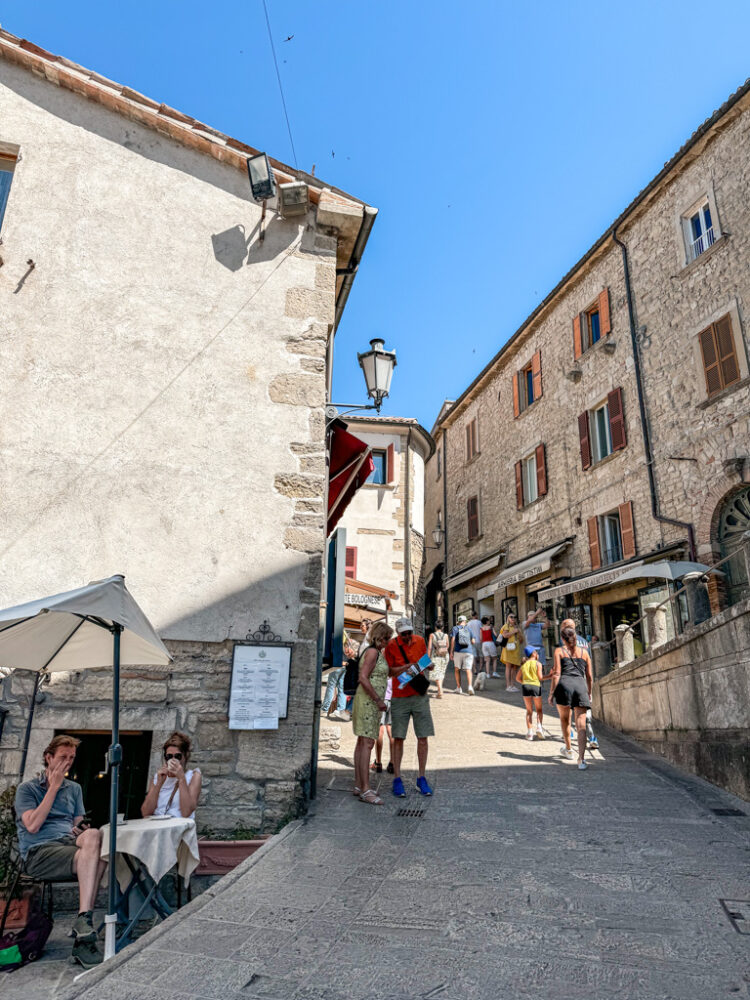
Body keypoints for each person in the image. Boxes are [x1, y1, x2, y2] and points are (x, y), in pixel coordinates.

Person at [14, 734, 107, 969]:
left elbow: (77, 823)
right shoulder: (27, 789)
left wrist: (80, 828)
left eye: (72, 758)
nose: (68, 762)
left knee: (95, 836)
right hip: (39, 851)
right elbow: (32, 825)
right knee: (98, 861)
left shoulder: (74, 789)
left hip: (67, 844)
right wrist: (53, 787)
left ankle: (83, 920)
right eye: (63, 757)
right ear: (49, 757)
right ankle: (83, 938)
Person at [384, 617, 435, 797]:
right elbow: (388, 671)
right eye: (404, 634)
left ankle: (422, 777)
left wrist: (428, 664)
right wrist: (405, 667)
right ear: (398, 633)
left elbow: (426, 661)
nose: (407, 636)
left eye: (409, 633)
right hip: (400, 696)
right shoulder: (391, 646)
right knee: (398, 737)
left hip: (419, 695)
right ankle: (397, 778)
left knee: (423, 736)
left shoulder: (419, 641)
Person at [351, 621, 393, 804]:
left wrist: (406, 668)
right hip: (369, 702)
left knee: (362, 742)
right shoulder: (373, 652)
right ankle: (366, 789)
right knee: (367, 743)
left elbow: (382, 673)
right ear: (379, 637)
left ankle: (359, 784)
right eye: (386, 638)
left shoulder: (374, 652)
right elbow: (363, 677)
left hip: (367, 701)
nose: (388, 642)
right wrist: (378, 700)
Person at [549, 622, 594, 770]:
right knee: (581, 725)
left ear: (562, 639)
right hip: (580, 686)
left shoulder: (559, 651)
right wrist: (589, 692)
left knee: (565, 720)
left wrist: (551, 693)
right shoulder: (584, 653)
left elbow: (557, 674)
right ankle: (581, 759)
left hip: (564, 686)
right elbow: (589, 676)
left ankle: (568, 749)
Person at [141, 731, 202, 819]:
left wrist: (181, 778)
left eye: (177, 756)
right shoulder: (158, 777)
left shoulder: (193, 776)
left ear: (185, 756)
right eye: (169, 756)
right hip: (156, 823)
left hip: (178, 824)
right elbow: (146, 812)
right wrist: (159, 784)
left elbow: (186, 813)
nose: (173, 760)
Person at [559, 619, 599, 748]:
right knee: (585, 713)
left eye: (562, 626)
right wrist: (590, 689)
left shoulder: (564, 640)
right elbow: (589, 665)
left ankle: (570, 734)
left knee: (569, 710)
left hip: (569, 680)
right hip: (583, 680)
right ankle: (592, 737)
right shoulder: (584, 642)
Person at [516, 645, 545, 740]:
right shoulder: (538, 664)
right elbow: (540, 678)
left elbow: (517, 678)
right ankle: (539, 727)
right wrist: (550, 676)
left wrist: (525, 682)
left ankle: (529, 733)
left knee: (529, 711)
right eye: (536, 652)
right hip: (536, 686)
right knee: (539, 710)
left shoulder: (523, 665)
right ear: (534, 653)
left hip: (526, 687)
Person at [450, 614, 475, 694]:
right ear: (465, 621)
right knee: (468, 669)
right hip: (468, 651)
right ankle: (470, 687)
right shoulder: (469, 629)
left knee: (457, 669)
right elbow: (473, 641)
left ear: (458, 621)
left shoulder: (455, 628)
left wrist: (451, 651)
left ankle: (458, 688)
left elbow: (453, 640)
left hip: (458, 651)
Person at [499, 612, 524, 692]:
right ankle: (508, 685)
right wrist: (514, 631)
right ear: (508, 618)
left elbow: (521, 640)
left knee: (514, 667)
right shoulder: (506, 626)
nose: (513, 618)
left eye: (514, 617)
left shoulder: (517, 627)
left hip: (515, 649)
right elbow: (505, 635)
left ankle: (513, 685)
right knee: (508, 667)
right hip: (508, 649)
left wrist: (519, 633)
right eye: (511, 617)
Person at [427, 621, 450, 698]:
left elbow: (429, 647)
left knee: (436, 673)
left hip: (435, 656)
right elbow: (447, 645)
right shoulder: (445, 635)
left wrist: (428, 657)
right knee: (441, 672)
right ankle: (440, 690)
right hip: (445, 656)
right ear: (442, 627)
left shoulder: (432, 635)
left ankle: (440, 690)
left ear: (435, 627)